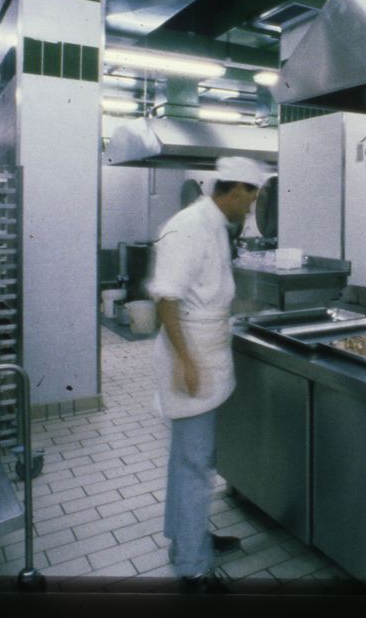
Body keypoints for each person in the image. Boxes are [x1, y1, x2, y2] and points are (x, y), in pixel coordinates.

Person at [147, 157, 265, 593]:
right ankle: (193, 569)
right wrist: (186, 361)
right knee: (196, 463)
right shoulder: (190, 226)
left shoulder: (213, 223)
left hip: (204, 350)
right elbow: (166, 299)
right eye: (250, 198)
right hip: (192, 355)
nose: (251, 208)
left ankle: (189, 538)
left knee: (190, 459)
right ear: (234, 191)